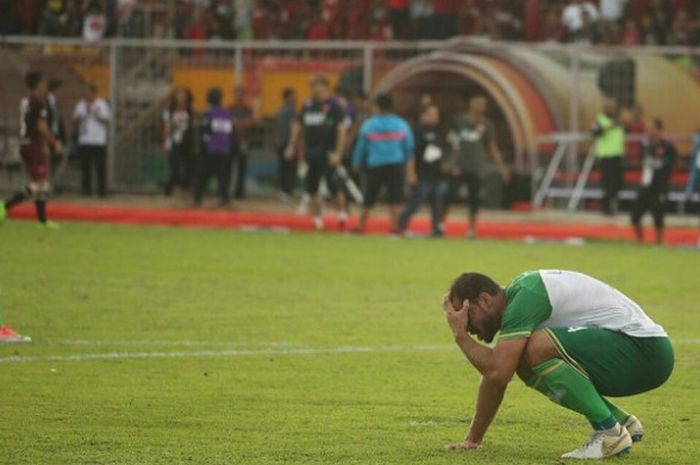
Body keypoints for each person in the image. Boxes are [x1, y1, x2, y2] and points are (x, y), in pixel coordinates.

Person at [442, 269, 673, 459]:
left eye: (466, 314)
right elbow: (495, 376)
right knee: (523, 360)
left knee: (538, 346)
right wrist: (473, 440)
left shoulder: (526, 296)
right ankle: (620, 422)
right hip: (641, 352)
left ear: (485, 300)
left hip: (646, 351)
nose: (466, 324)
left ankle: (609, 432)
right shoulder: (521, 296)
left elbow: (498, 371)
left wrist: (460, 336)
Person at [285, 75, 348, 231]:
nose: (313, 88)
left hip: (328, 152)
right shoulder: (307, 105)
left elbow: (341, 130)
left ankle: (342, 213)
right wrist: (291, 145)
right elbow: (298, 125)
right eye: (311, 85)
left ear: (325, 86)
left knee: (334, 184)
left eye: (315, 85)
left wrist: (338, 152)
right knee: (312, 187)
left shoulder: (335, 106)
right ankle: (318, 218)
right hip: (311, 151)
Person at [0, 71, 61, 228]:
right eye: (43, 82)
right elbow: (41, 126)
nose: (45, 85)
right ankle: (5, 206)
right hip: (33, 146)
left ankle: (42, 221)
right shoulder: (38, 102)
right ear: (38, 84)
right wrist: (53, 142)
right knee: (39, 183)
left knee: (43, 183)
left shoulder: (25, 101)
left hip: (25, 144)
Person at [444, 95, 510, 239]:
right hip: (459, 165)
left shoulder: (486, 123)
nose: (482, 107)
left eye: (484, 104)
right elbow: (452, 143)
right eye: (479, 103)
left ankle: (472, 229)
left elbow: (492, 146)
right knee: (449, 195)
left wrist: (502, 167)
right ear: (471, 104)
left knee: (474, 199)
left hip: (476, 166)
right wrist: (450, 162)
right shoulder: (460, 121)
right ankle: (440, 225)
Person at [351, 93, 414, 234]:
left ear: (377, 107)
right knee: (396, 198)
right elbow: (408, 148)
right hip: (396, 164)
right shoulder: (401, 124)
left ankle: (361, 226)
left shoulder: (369, 125)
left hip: (375, 165)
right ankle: (395, 227)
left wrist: (356, 162)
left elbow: (361, 147)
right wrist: (408, 168)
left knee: (369, 197)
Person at [398, 93, 446, 237]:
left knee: (437, 204)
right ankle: (401, 225)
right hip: (422, 173)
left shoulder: (439, 131)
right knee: (415, 202)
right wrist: (411, 173)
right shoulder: (417, 132)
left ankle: (437, 228)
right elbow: (411, 153)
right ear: (424, 115)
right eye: (432, 114)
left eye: (436, 114)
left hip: (437, 174)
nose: (435, 117)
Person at [630, 119, 677, 245]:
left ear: (659, 130)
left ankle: (659, 243)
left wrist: (658, 167)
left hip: (659, 186)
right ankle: (640, 241)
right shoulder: (647, 145)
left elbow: (669, 164)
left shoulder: (667, 146)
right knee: (635, 215)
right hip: (645, 185)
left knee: (658, 216)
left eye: (651, 128)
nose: (648, 131)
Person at [194, 87, 234, 208]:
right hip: (224, 149)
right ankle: (224, 198)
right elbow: (231, 133)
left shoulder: (209, 113)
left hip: (210, 149)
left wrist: (201, 147)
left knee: (204, 175)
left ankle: (198, 198)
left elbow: (205, 132)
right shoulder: (227, 113)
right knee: (223, 177)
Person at [73, 84, 110, 197]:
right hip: (85, 140)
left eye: (89, 93)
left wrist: (95, 113)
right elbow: (74, 121)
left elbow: (106, 120)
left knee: (100, 167)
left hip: (99, 140)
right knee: (86, 167)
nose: (87, 95)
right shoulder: (80, 105)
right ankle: (86, 190)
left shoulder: (101, 104)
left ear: (94, 93)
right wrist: (84, 114)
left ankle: (102, 191)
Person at [592, 99, 625, 215]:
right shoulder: (600, 120)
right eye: (611, 107)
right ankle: (606, 208)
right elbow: (595, 133)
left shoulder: (618, 121)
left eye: (614, 108)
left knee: (618, 183)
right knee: (608, 183)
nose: (613, 110)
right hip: (606, 156)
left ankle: (612, 205)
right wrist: (611, 126)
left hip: (617, 155)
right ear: (605, 109)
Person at [162, 87, 194, 196]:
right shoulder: (170, 111)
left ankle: (183, 187)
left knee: (188, 166)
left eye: (183, 96)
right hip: (174, 141)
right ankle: (171, 188)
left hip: (186, 141)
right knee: (175, 166)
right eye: (179, 96)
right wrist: (166, 142)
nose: (181, 98)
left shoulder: (189, 110)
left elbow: (192, 126)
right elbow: (167, 128)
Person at [231, 85, 256, 199]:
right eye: (237, 93)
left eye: (241, 93)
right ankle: (228, 190)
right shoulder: (230, 108)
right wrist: (240, 124)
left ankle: (239, 192)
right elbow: (230, 122)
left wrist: (238, 123)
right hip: (231, 141)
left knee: (242, 166)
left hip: (243, 141)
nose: (239, 95)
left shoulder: (247, 109)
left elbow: (251, 122)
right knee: (229, 166)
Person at [275, 87, 298, 199]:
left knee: (284, 168)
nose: (295, 99)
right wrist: (293, 144)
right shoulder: (291, 111)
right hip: (288, 144)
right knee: (289, 168)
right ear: (288, 97)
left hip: (281, 143)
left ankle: (283, 190)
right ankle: (287, 191)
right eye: (293, 96)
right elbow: (294, 127)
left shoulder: (280, 110)